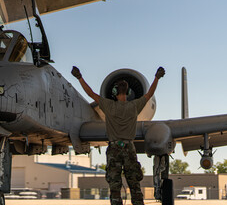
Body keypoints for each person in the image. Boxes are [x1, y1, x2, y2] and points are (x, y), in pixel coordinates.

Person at [71, 66, 165, 205]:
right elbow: (149, 94)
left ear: (114, 92)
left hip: (114, 148)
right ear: (128, 92)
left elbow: (90, 93)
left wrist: (79, 77)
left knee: (114, 185)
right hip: (129, 148)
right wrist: (157, 78)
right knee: (134, 184)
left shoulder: (108, 105)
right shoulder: (134, 106)